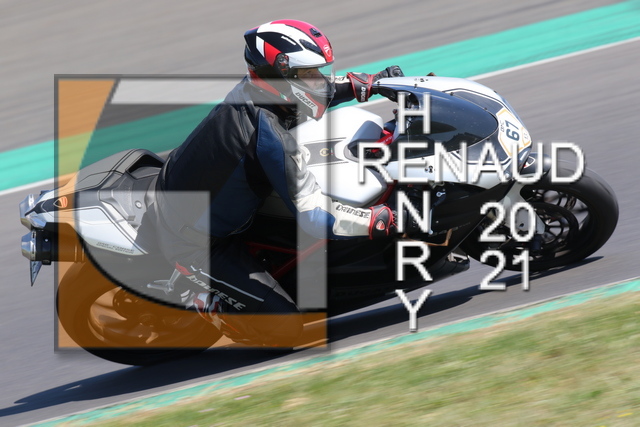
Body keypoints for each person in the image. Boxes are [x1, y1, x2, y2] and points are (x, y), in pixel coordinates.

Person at [153, 19, 408, 346]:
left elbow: (314, 91)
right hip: (196, 241)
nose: (318, 79)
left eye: (317, 71)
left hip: (198, 192)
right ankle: (203, 302)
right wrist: (377, 220)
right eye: (308, 73)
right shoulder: (269, 135)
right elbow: (314, 215)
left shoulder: (261, 90)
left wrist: (371, 83)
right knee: (283, 331)